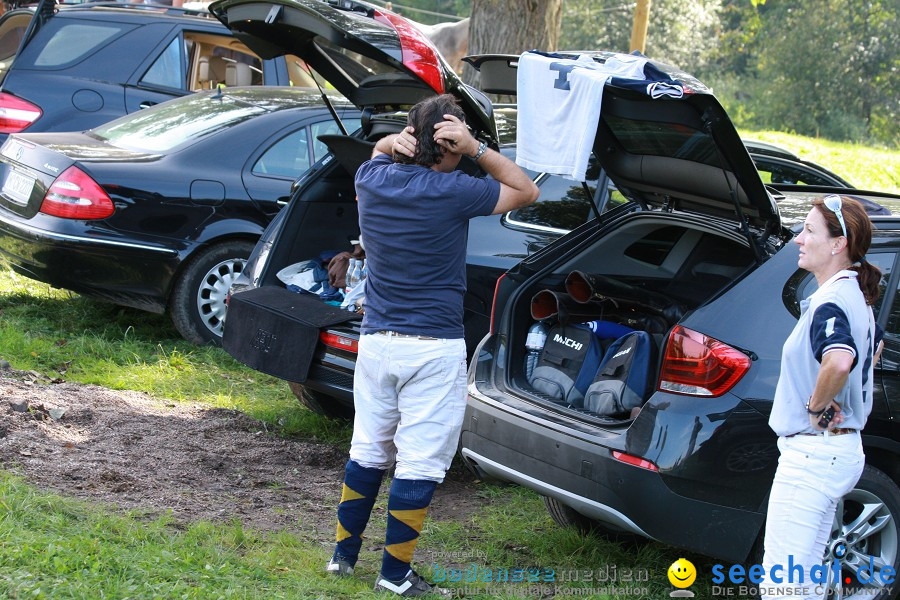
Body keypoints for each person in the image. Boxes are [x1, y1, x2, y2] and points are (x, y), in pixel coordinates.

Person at [326, 94, 538, 597]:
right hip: (432, 348)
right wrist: (478, 149)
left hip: (376, 342)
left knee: (367, 450)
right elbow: (525, 190)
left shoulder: (370, 180)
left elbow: (377, 154)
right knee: (419, 462)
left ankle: (343, 559)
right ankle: (394, 576)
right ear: (450, 142)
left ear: (408, 136)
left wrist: (387, 141)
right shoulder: (455, 190)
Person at [763, 195, 884, 600]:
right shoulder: (854, 294)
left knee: (783, 587)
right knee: (805, 580)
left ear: (838, 244)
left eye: (809, 230)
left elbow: (839, 361)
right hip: (836, 451)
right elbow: (873, 348)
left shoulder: (832, 300)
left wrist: (816, 407)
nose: (799, 239)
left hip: (814, 455)